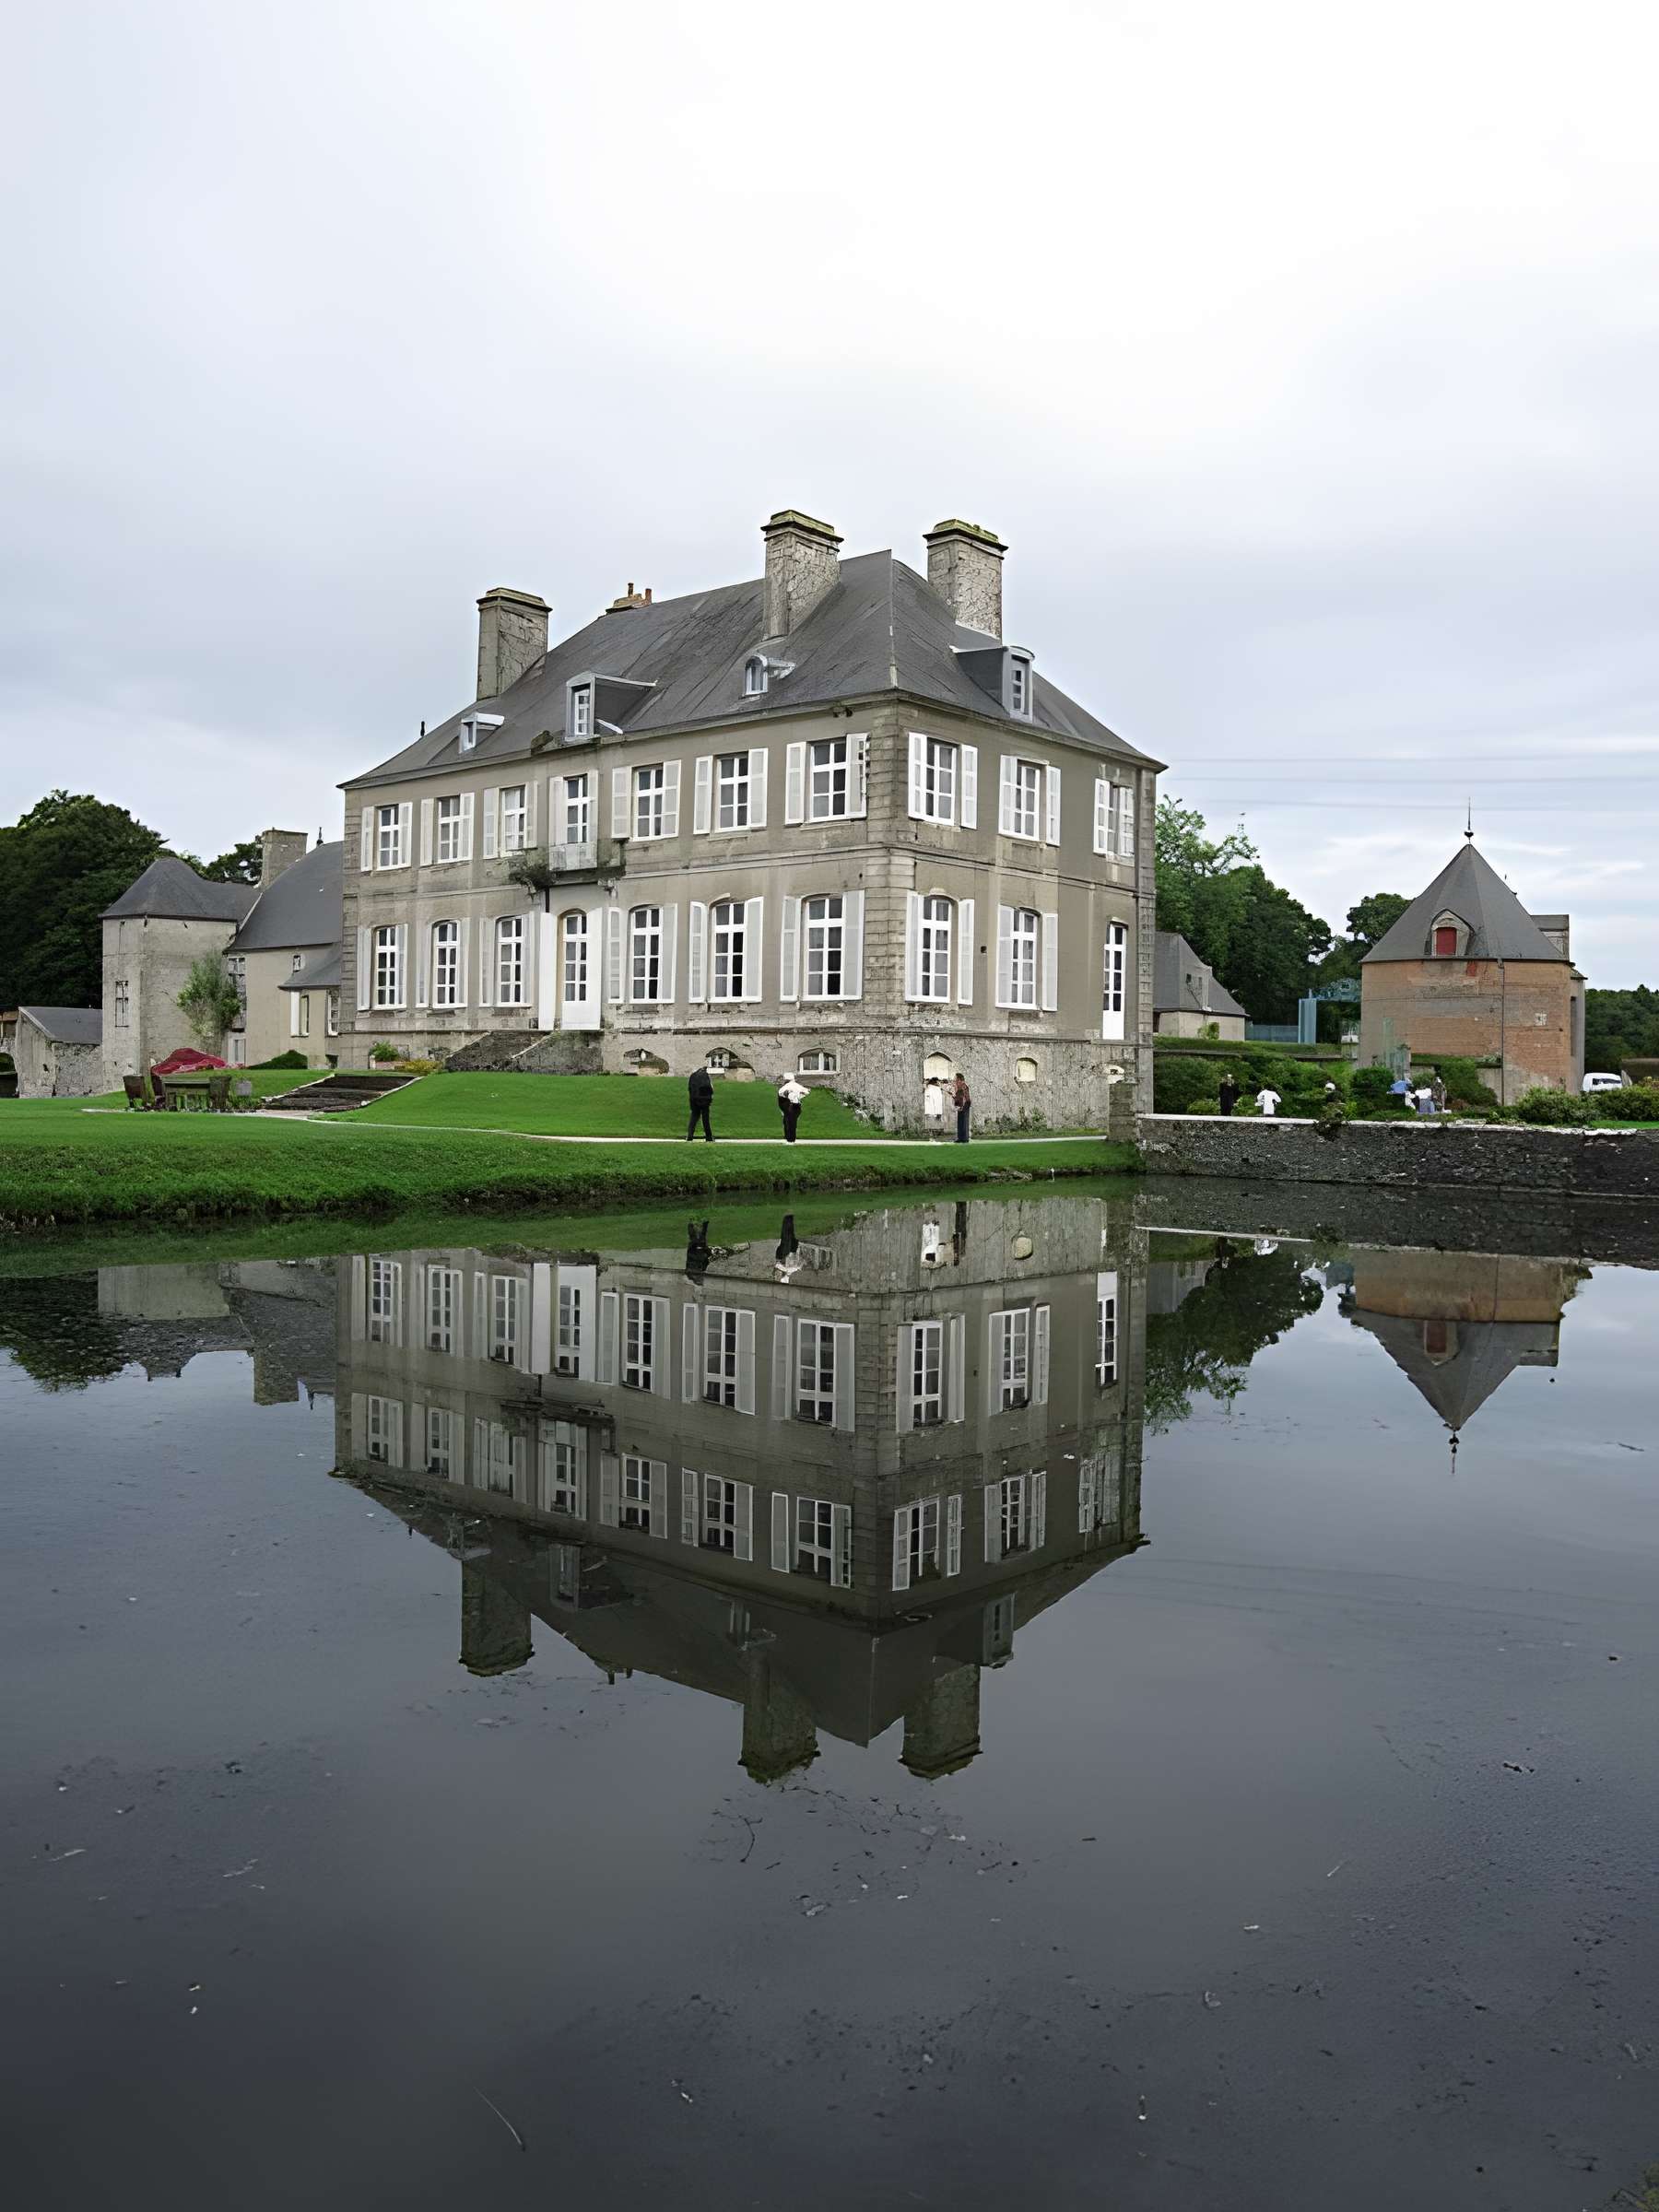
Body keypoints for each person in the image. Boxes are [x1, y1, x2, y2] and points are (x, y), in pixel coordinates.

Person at [776, 1072, 808, 1143]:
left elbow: (782, 1093)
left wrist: (789, 1095)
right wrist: (799, 1096)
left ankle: (791, 1140)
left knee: (790, 1123)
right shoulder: (797, 1086)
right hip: (797, 1105)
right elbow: (806, 1092)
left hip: (791, 1106)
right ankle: (789, 1138)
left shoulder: (785, 1087)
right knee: (791, 1122)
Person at [687, 1063, 714, 1142]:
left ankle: (690, 1135)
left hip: (695, 1100)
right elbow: (710, 1088)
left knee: (694, 1118)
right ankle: (708, 1137)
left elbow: (690, 1089)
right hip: (705, 1100)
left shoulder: (692, 1076)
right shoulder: (706, 1076)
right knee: (705, 1119)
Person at [951, 1071, 972, 1144]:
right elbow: (958, 1097)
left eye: (956, 1079)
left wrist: (963, 1107)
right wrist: (954, 1096)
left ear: (960, 1079)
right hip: (960, 1106)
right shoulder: (958, 1087)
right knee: (960, 1122)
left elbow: (966, 1097)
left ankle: (965, 1139)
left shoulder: (963, 1086)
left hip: (965, 1105)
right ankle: (960, 1138)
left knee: (964, 1122)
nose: (955, 1081)